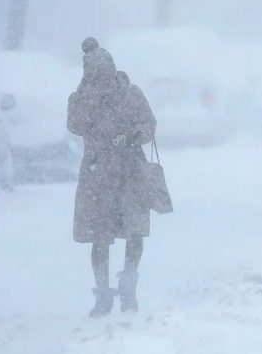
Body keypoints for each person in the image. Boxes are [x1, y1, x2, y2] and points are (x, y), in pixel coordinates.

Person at [67, 37, 157, 317]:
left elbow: (149, 126)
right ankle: (103, 294)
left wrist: (131, 135)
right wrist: (88, 94)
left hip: (130, 173)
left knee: (134, 231)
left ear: (112, 69)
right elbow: (75, 125)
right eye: (95, 76)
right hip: (98, 176)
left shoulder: (132, 94)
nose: (102, 81)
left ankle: (129, 287)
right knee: (99, 237)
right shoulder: (82, 98)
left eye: (104, 74)